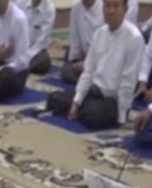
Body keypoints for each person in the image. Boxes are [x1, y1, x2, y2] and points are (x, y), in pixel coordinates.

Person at [45, 0, 144, 130]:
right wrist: (76, 102)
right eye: (107, 6)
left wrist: (122, 119)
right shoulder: (99, 34)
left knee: (93, 115)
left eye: (115, 7)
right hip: (93, 92)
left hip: (113, 100)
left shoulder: (134, 38)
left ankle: (86, 110)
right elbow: (88, 72)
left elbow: (128, 81)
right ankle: (80, 109)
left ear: (125, 10)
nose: (111, 11)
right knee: (54, 99)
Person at [60, 0, 104, 83]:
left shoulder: (104, 9)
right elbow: (74, 38)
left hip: (99, 59)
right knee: (66, 69)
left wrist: (88, 64)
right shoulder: (76, 8)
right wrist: (75, 62)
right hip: (83, 55)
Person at [16, 0, 56, 74]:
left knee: (44, 60)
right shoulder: (20, 3)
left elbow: (42, 42)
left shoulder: (49, 9)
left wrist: (26, 57)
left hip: (34, 52)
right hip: (18, 49)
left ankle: (19, 66)